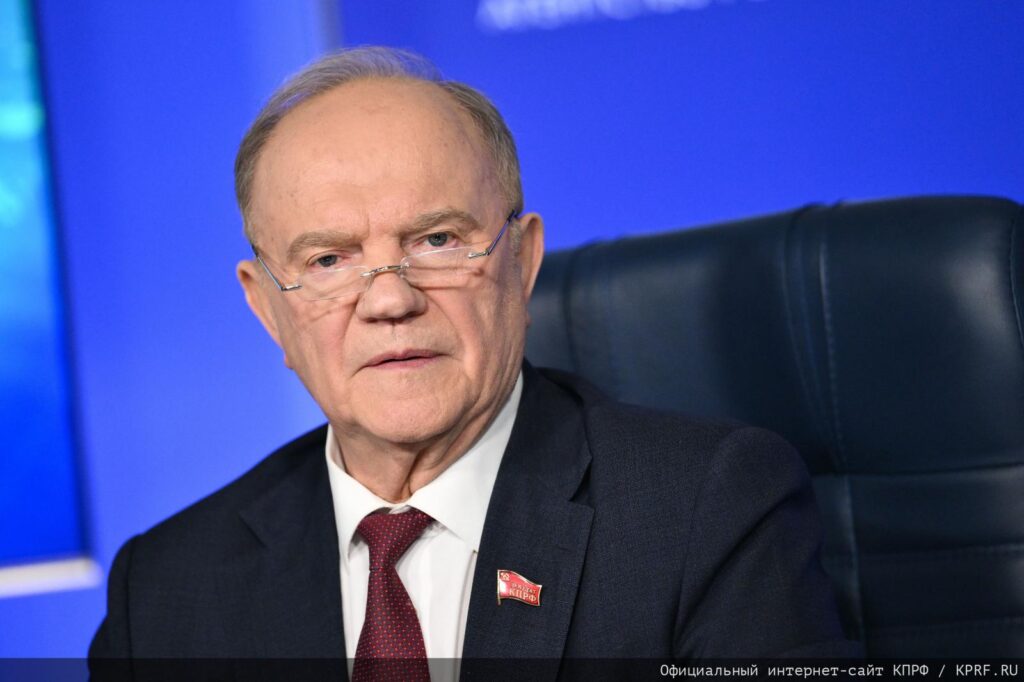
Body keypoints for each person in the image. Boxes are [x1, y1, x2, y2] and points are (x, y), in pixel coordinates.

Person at [89, 47, 857, 678]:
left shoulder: (708, 512)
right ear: (268, 310)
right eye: (328, 260)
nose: (389, 300)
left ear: (522, 262)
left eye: (437, 241)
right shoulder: (162, 591)